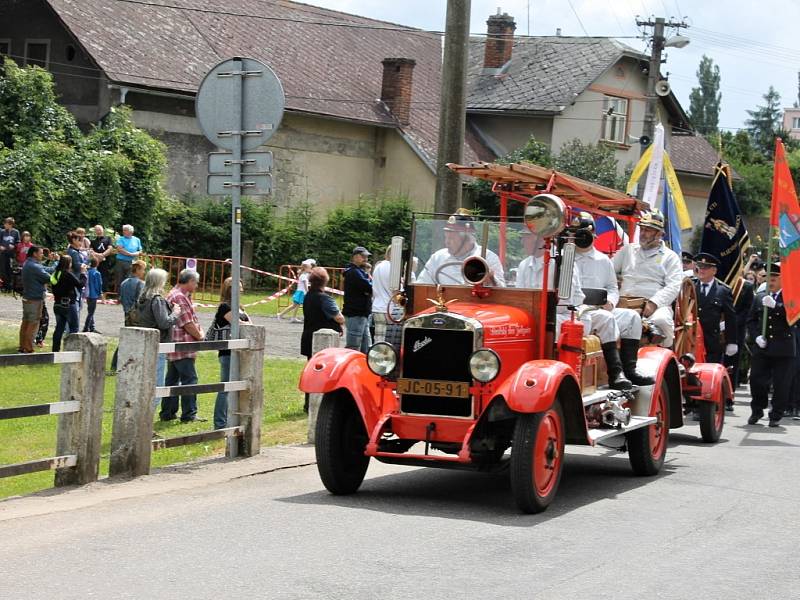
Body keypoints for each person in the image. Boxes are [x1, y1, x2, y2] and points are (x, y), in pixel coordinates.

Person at [571, 212, 653, 386]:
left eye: (586, 235)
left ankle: (628, 371)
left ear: (593, 236)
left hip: (598, 308)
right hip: (573, 310)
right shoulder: (564, 258)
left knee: (631, 318)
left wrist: (610, 302)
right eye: (579, 235)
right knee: (604, 319)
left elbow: (612, 288)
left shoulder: (603, 260)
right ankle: (614, 373)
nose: (583, 239)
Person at [612, 210, 683, 347]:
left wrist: (654, 303)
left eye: (648, 230)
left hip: (654, 307)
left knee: (662, 321)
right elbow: (609, 270)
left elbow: (673, 286)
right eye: (642, 229)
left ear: (659, 234)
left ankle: (667, 355)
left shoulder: (670, 257)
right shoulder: (628, 250)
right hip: (623, 303)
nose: (643, 233)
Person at [746, 263, 797, 428]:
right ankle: (757, 409)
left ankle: (776, 414)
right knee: (756, 380)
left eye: (774, 279)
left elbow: (795, 318)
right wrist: (756, 337)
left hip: (783, 347)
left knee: (781, 384)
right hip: (763, 346)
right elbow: (751, 320)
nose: (771, 282)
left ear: (783, 279)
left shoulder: (791, 298)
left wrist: (777, 307)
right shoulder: (760, 297)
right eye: (768, 278)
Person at [417, 211, 506, 286]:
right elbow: (422, 285)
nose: (447, 242)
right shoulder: (438, 257)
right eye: (446, 237)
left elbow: (502, 292)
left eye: (451, 238)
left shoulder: (488, 258)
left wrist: (491, 279)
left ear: (466, 237)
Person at [162, 269, 205, 423]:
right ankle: (189, 414)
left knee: (172, 380)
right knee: (190, 380)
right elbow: (187, 323)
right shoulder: (179, 297)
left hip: (175, 343)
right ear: (190, 282)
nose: (197, 285)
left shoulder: (175, 293)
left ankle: (167, 412)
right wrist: (200, 336)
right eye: (196, 282)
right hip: (183, 345)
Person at [136, 268, 182, 410]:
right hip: (158, 345)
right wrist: (175, 313)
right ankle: (146, 425)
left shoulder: (142, 299)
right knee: (156, 386)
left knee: (144, 384)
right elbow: (164, 322)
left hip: (145, 344)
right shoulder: (157, 300)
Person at [301, 267, 345, 412]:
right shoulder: (325, 299)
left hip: (308, 337)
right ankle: (319, 405)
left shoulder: (307, 296)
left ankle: (308, 404)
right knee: (324, 373)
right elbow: (339, 317)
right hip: (323, 340)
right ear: (325, 281)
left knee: (311, 371)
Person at [212, 277, 250, 429]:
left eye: (242, 289)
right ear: (230, 291)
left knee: (235, 388)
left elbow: (250, 325)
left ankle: (230, 419)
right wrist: (245, 323)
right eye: (238, 289)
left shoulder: (241, 307)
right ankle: (219, 423)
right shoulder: (224, 307)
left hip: (239, 351)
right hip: (227, 353)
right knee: (225, 388)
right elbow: (239, 324)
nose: (241, 292)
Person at [692, 253, 738, 364]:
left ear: (714, 271)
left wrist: (731, 341)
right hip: (691, 339)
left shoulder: (723, 291)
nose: (702, 270)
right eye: (700, 267)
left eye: (706, 267)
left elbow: (730, 318)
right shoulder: (690, 286)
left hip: (712, 341)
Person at [18, 245, 56, 353]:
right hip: (34, 299)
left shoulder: (28, 263)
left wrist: (53, 262)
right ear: (34, 253)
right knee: (33, 324)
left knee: (26, 322)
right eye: (40, 253)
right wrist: (58, 262)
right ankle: (28, 348)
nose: (42, 255)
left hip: (27, 298)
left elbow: (45, 268)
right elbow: (49, 278)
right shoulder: (34, 266)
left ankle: (22, 346)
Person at [110, 260, 146, 371]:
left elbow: (121, 298)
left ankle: (115, 363)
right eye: (143, 269)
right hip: (136, 316)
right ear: (138, 269)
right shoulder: (140, 284)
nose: (144, 272)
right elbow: (140, 301)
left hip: (126, 314)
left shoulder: (124, 282)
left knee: (125, 339)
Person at [50, 254, 87, 352]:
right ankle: (72, 351)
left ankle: (55, 351)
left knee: (59, 328)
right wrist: (83, 274)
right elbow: (80, 284)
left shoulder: (55, 273)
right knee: (73, 328)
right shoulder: (67, 274)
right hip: (68, 304)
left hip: (57, 304)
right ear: (68, 264)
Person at [342, 246, 373, 353]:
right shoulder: (354, 272)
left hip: (360, 313)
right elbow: (369, 287)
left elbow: (369, 288)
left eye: (367, 257)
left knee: (365, 344)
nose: (366, 259)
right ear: (355, 257)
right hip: (356, 313)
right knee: (353, 346)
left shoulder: (357, 271)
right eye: (363, 256)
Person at [371, 246, 394, 343]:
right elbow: (396, 290)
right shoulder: (393, 269)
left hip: (377, 307)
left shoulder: (378, 267)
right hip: (390, 308)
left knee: (378, 338)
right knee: (390, 341)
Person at [115, 224, 143, 291]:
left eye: (125, 230)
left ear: (131, 232)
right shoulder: (121, 239)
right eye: (123, 230)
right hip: (121, 261)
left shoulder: (137, 240)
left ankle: (128, 296)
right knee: (119, 279)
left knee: (130, 279)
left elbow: (140, 251)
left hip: (132, 262)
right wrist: (130, 254)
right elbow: (119, 249)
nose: (123, 232)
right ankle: (119, 297)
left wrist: (134, 254)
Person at [89, 224, 114, 296]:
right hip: (96, 261)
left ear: (103, 230)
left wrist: (102, 255)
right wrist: (98, 256)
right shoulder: (93, 240)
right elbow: (91, 251)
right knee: (94, 276)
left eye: (99, 229)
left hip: (105, 261)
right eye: (96, 230)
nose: (98, 231)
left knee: (104, 277)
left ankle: (103, 295)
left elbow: (110, 249)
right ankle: (94, 293)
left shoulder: (108, 238)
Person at [83, 257, 103, 333]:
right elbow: (99, 284)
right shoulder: (97, 273)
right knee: (91, 312)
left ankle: (92, 327)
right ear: (97, 264)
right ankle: (86, 327)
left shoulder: (87, 272)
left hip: (88, 294)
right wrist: (100, 293)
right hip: (94, 294)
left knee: (90, 310)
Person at [1, 217, 20, 292]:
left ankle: (10, 287)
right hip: (3, 253)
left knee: (10, 269)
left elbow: (18, 242)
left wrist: (14, 246)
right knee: (3, 269)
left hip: (11, 254)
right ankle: (5, 286)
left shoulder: (16, 232)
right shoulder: (2, 232)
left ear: (10, 224)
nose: (4, 225)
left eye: (6, 223)